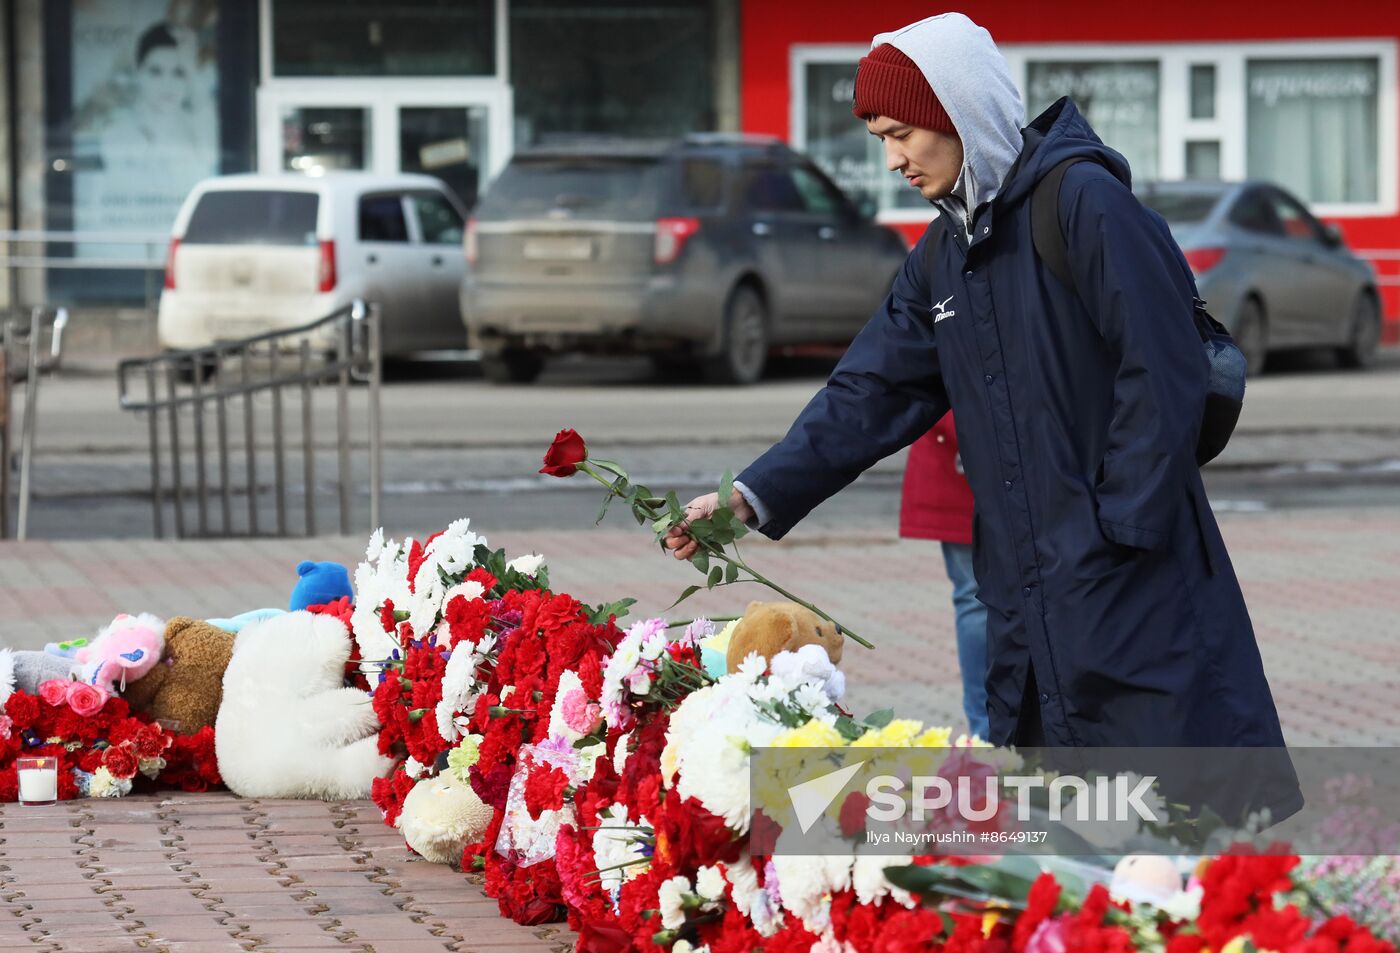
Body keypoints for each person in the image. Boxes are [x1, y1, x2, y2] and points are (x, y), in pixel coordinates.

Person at [665, 13, 1300, 820]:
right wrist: (749, 496)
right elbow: (867, 393)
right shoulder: (944, 252)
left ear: (960, 112)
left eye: (902, 132)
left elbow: (1165, 365)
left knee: (1184, 827)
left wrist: (1118, 530)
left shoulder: (1083, 203)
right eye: (879, 138)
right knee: (1067, 842)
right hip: (1030, 602)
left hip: (1136, 588)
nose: (892, 158)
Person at [901, 415, 988, 741]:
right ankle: (986, 731)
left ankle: (986, 732)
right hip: (961, 460)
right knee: (976, 598)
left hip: (960, 453)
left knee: (974, 598)